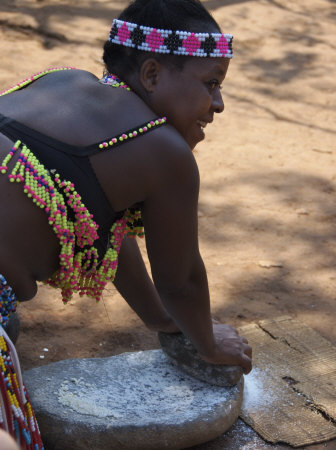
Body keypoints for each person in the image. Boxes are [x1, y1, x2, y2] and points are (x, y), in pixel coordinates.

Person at [0, 0, 252, 446]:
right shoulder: (164, 152)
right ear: (152, 75)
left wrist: (161, 319)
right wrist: (208, 344)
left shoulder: (65, 80)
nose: (219, 104)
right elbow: (184, 281)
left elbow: (103, 228)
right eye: (211, 83)